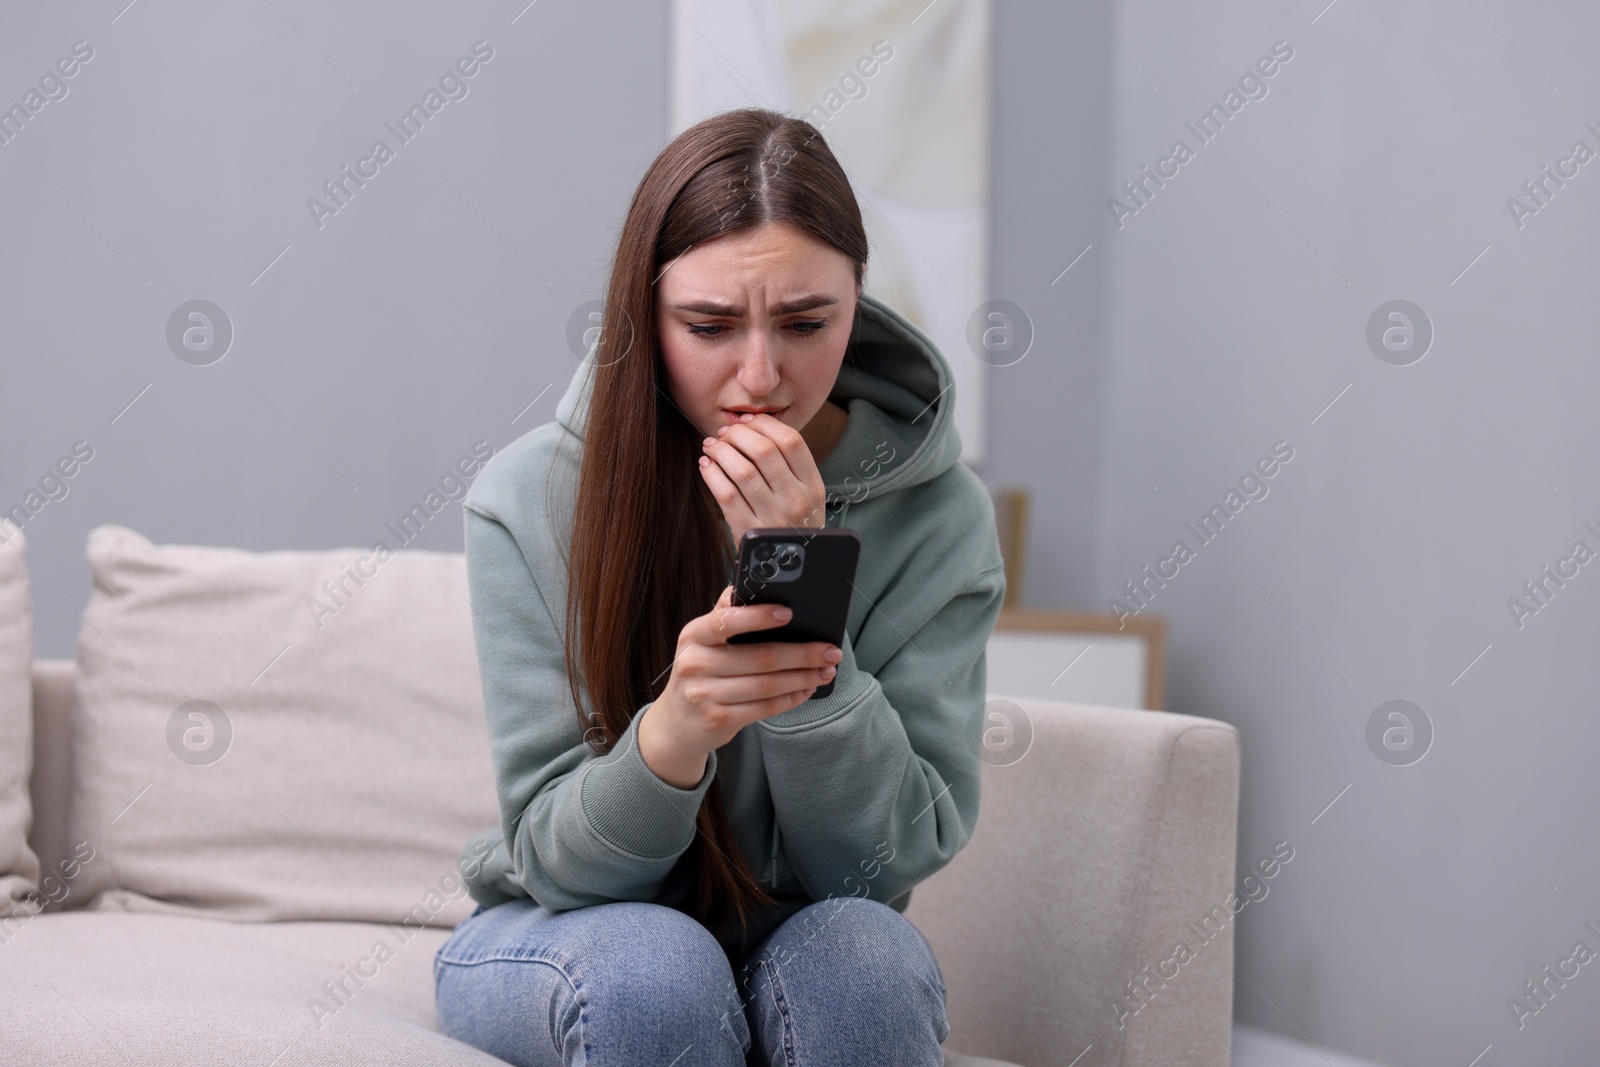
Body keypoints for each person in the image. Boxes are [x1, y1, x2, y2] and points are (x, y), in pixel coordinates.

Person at [434, 106, 1006, 1067]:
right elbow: (559, 863)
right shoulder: (528, 498)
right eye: (707, 325)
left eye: (806, 322)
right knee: (656, 973)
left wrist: (803, 604)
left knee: (868, 963)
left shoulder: (943, 518)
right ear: (643, 316)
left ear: (858, 302)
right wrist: (675, 730)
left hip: (805, 926)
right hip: (569, 927)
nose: (759, 376)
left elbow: (881, 867)